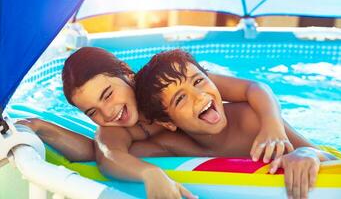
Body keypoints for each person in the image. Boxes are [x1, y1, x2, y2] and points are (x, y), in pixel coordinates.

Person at [19, 46, 294, 199]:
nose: (108, 112)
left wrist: (273, 126)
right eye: (93, 112)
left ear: (127, 73)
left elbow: (253, 89)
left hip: (223, 136)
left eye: (108, 94)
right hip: (188, 151)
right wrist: (150, 174)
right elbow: (105, 155)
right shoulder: (115, 128)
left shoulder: (170, 83)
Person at [133, 49, 338, 199]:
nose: (199, 96)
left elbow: (325, 156)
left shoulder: (252, 120)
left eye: (198, 81)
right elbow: (114, 154)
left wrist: (305, 154)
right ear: (167, 122)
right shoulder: (171, 144)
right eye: (180, 98)